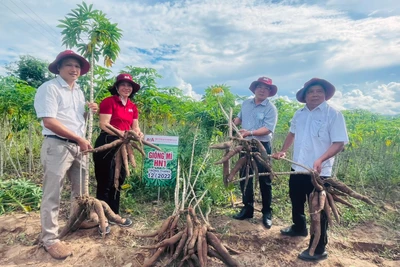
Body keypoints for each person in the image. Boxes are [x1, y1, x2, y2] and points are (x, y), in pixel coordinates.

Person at [272, 78, 349, 261]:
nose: (314, 95)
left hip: (319, 173)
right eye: (310, 92)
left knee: (318, 211)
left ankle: (319, 248)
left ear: (324, 95)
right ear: (305, 96)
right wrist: (283, 150)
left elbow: (339, 143)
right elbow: (292, 133)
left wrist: (321, 159)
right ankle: (299, 227)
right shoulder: (299, 114)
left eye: (318, 91)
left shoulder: (333, 115)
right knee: (296, 200)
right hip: (297, 167)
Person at [34, 50, 98, 260]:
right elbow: (50, 121)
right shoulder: (49, 88)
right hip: (58, 145)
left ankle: (78, 220)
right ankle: (50, 239)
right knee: (53, 193)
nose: (74, 69)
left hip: (78, 145)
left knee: (80, 190)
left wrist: (89, 111)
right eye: (69, 65)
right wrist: (79, 139)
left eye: (77, 66)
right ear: (59, 68)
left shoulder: (78, 91)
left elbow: (76, 118)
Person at [93, 73, 143, 234]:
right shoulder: (109, 102)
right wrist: (122, 133)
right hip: (108, 142)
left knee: (118, 180)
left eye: (129, 86)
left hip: (123, 146)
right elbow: (104, 124)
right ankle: (102, 217)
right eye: (123, 84)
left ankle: (114, 214)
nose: (126, 88)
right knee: (105, 180)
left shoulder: (132, 107)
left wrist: (138, 134)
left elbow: (135, 127)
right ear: (117, 86)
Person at [232, 76, 278, 229]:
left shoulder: (271, 108)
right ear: (255, 89)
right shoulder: (246, 103)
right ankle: (247, 208)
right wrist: (234, 122)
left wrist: (249, 132)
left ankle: (267, 212)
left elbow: (267, 129)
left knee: (265, 178)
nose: (262, 90)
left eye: (266, 88)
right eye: (260, 87)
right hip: (245, 146)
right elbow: (239, 117)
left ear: (269, 92)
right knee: (244, 177)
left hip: (261, 146)